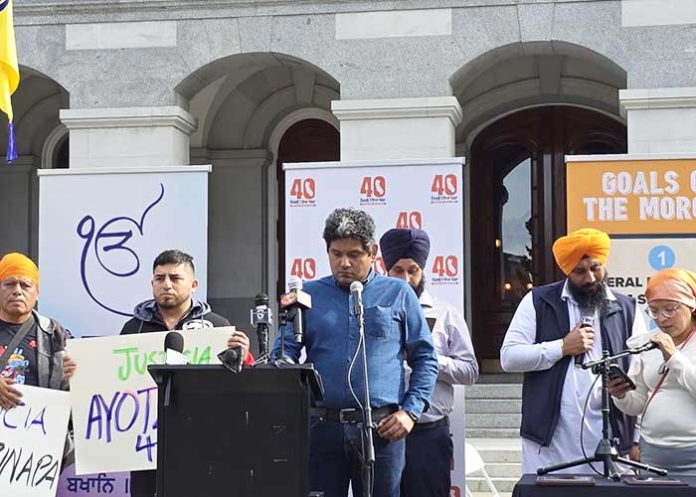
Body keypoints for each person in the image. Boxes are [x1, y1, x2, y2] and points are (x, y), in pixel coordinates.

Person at [272, 208, 438, 497]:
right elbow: (283, 354)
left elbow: (425, 358)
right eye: (336, 254)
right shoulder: (308, 296)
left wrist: (410, 413)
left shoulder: (398, 293)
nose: (344, 263)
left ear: (372, 252)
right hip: (323, 429)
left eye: (354, 254)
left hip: (381, 430)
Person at [500, 228, 646, 473]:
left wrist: (637, 438)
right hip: (551, 445)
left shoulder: (627, 309)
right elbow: (509, 358)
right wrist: (562, 347)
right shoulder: (539, 301)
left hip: (613, 440)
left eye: (595, 268)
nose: (589, 278)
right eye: (579, 271)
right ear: (567, 271)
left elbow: (643, 376)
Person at [121, 249, 254, 497]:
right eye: (160, 279)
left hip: (202, 443)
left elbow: (241, 385)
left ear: (193, 284)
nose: (167, 285)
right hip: (145, 447)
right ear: (152, 284)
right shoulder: (133, 328)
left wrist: (244, 356)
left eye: (175, 278)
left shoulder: (218, 326)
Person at [379, 228, 478, 497]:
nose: (407, 279)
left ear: (423, 270)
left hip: (428, 435)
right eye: (398, 271)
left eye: (413, 271)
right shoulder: (372, 313)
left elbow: (470, 371)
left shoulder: (446, 315)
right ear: (385, 269)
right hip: (381, 433)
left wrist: (430, 360)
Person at [610, 268, 696, 474]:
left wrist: (673, 357)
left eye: (670, 309)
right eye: (654, 311)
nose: (661, 318)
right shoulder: (647, 343)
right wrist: (621, 395)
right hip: (653, 450)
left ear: (691, 305)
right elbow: (637, 404)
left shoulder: (667, 346)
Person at [0, 252, 77, 463]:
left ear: (37, 292)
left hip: (32, 453)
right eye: (9, 284)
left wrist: (73, 376)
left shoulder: (52, 332)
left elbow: (66, 394)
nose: (17, 291)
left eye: (25, 285)